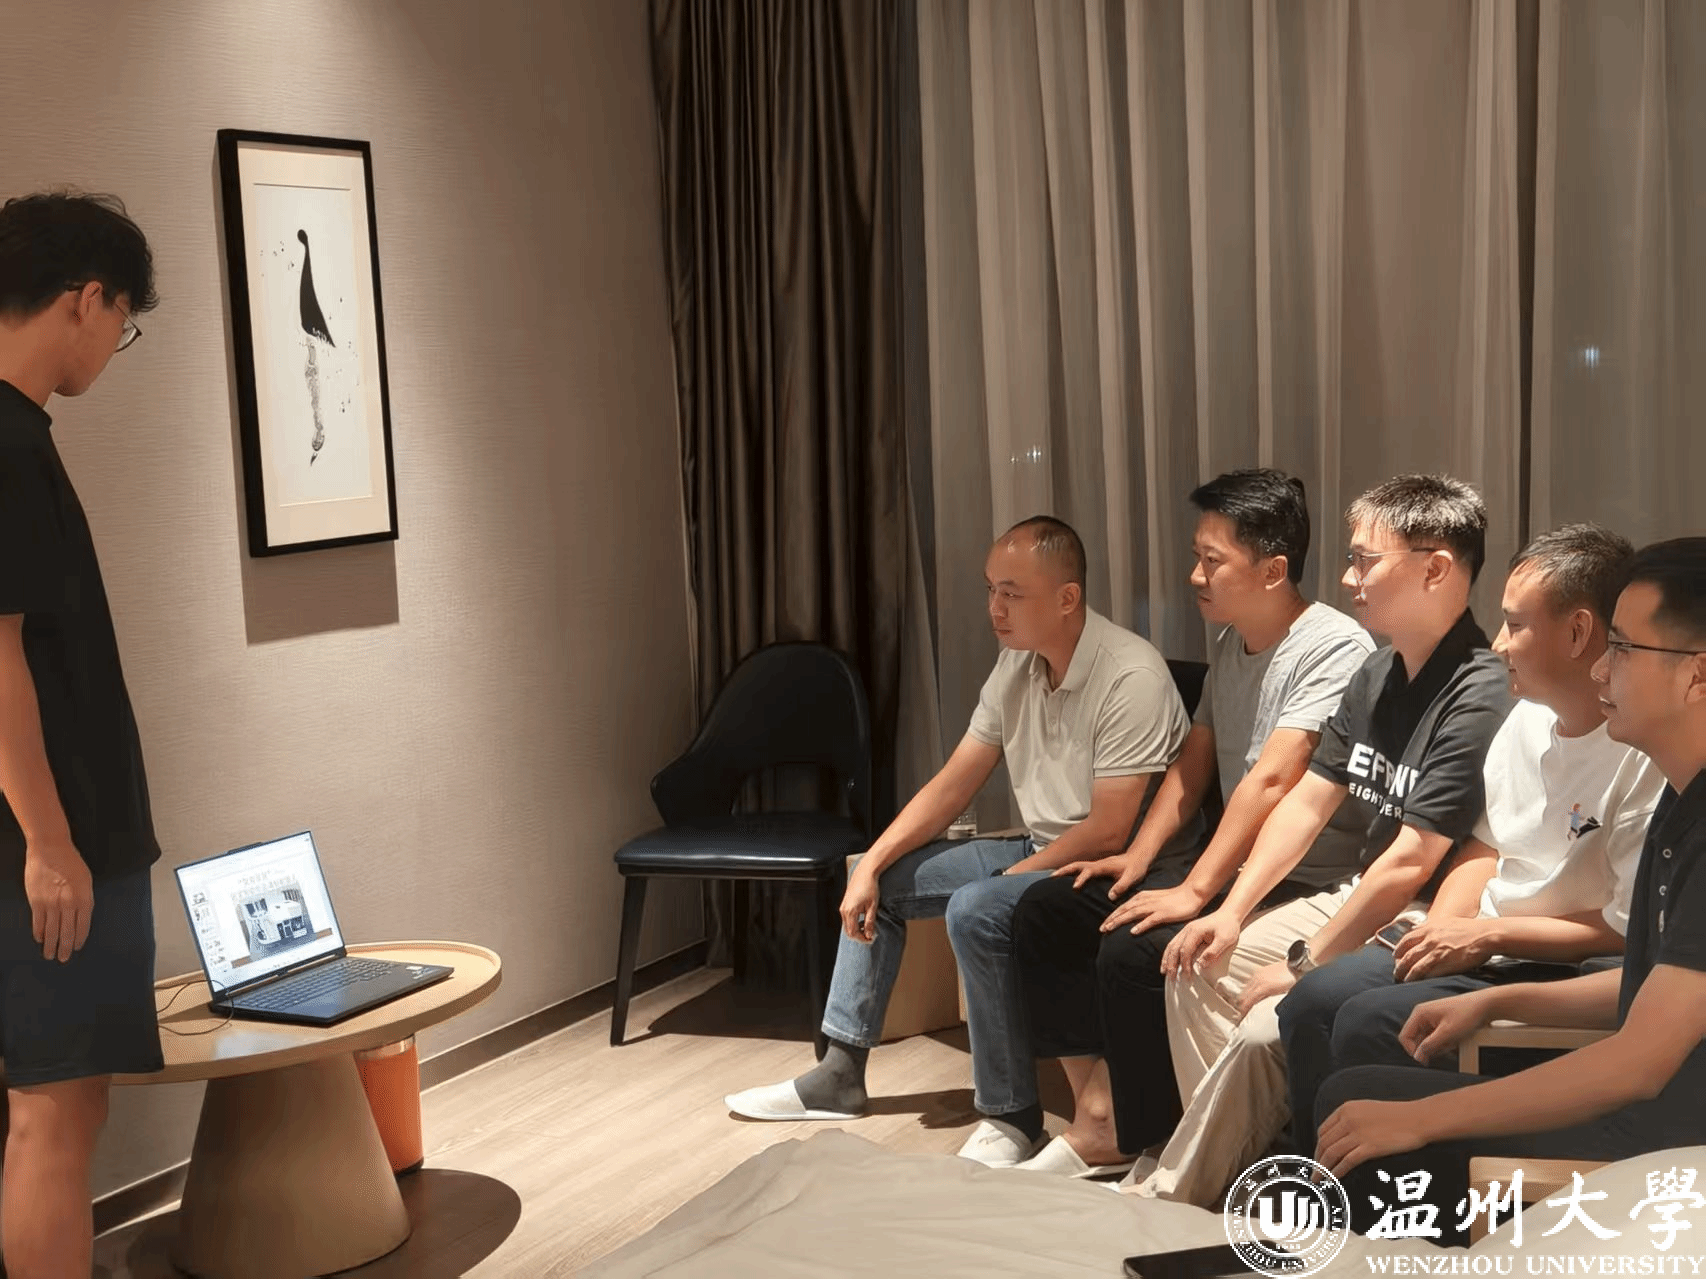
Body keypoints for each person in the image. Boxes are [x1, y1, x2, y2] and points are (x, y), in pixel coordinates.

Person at [724, 516, 1194, 1168]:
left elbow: (1111, 829)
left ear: (1067, 598)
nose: (994, 608)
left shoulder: (1129, 675)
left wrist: (1009, 880)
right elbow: (953, 784)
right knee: (882, 882)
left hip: (1115, 864)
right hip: (1041, 843)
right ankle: (839, 1074)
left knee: (980, 906)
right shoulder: (1016, 666)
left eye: (1012, 593)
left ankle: (1011, 1115)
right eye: (990, 589)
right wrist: (873, 862)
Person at [1125, 473, 1514, 1205]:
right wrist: (1232, 909)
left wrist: (1305, 963)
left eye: (1365, 560)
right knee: (1194, 961)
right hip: (1362, 892)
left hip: (1426, 912)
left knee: (1260, 1028)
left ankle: (1192, 1191)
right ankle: (1246, 1170)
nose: (1347, 577)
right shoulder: (1378, 669)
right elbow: (1306, 800)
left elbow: (1413, 861)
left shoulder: (1481, 690)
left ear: (1435, 569)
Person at [1315, 538, 1706, 1247]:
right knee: (1355, 1088)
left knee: (1372, 1120)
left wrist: (1421, 1119)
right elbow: (1653, 989)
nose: (1602, 666)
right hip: (1653, 1106)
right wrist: (1498, 1000)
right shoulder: (1683, 802)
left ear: (1698, 674)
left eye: (1623, 647)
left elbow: (1640, 1063)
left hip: (1673, 1143)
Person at [1009, 469, 1372, 1178]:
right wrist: (1140, 858)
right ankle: (1101, 1116)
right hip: (1232, 865)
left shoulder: (1334, 646)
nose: (1194, 575)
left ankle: (1160, 1141)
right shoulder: (1232, 643)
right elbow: (1194, 760)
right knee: (1048, 910)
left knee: (1137, 951)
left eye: (1212, 560)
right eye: (1197, 556)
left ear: (1272, 570)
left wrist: (1196, 890)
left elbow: (1274, 779)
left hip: (1304, 878)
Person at [1277, 523, 1663, 1154]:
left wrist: (1486, 936)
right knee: (1314, 1000)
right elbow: (1486, 848)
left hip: (1559, 960)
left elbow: (1628, 931)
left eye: (1515, 625)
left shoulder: (1643, 752)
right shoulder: (1525, 720)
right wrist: (1442, 933)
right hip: (1489, 937)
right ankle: (1314, 1178)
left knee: (1368, 1022)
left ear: (1578, 633)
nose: (1499, 644)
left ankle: (1388, 1182)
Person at [0, 191, 163, 1279]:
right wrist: (50, 841)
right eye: (122, 322)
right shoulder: (9, 444)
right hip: (55, 844)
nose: (113, 342)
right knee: (55, 1113)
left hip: (57, 836)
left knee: (59, 1105)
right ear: (85, 298)